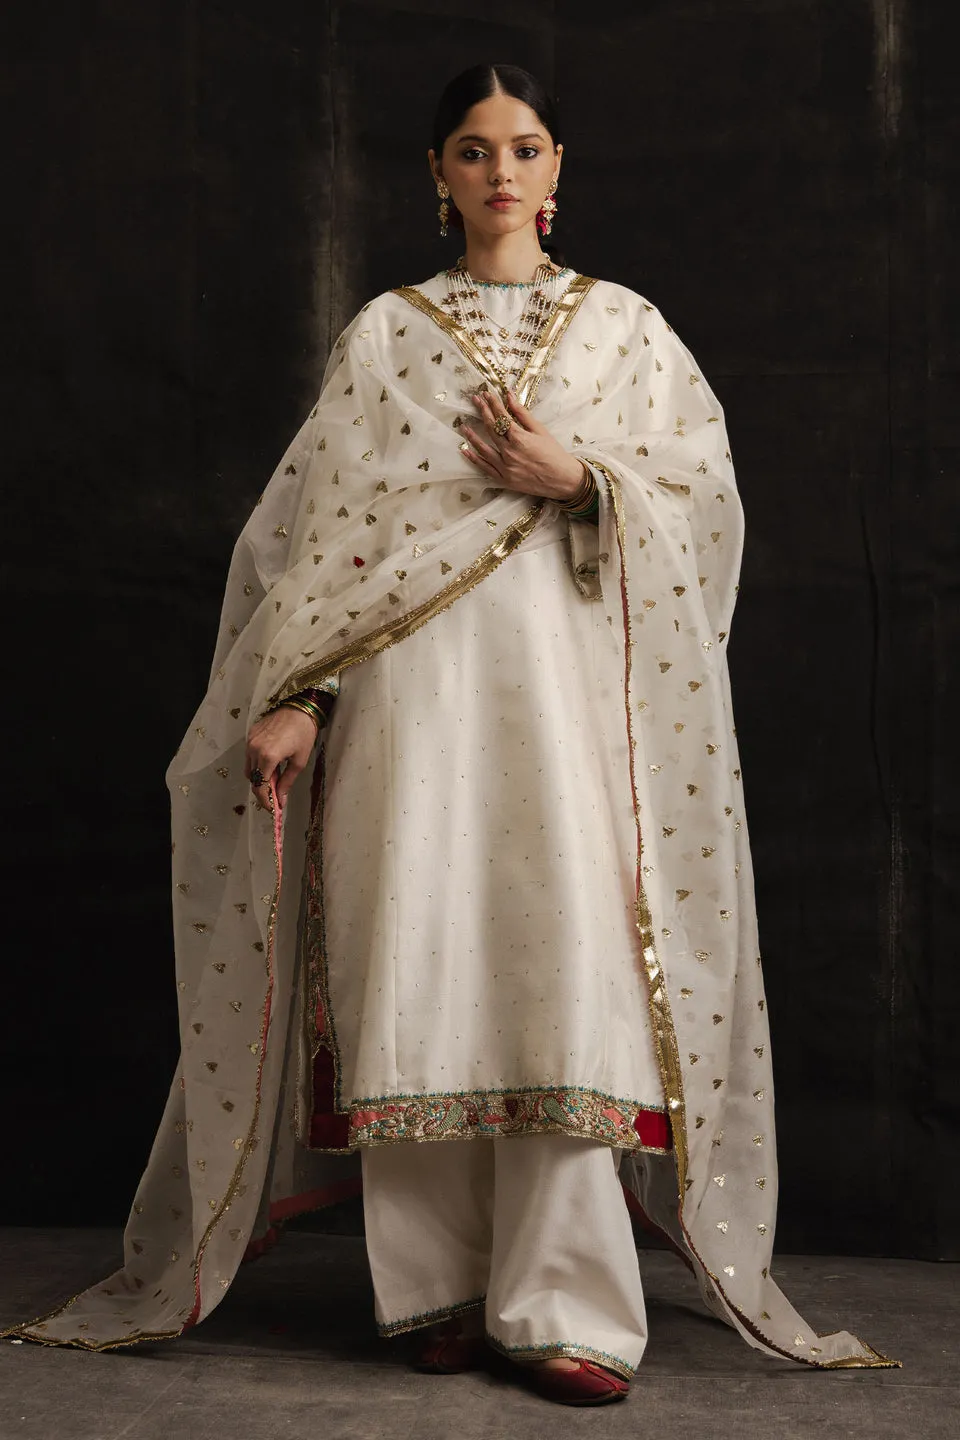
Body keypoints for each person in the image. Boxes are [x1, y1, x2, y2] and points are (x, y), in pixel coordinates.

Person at [2, 62, 895, 1405]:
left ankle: (569, 1307)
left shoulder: (628, 331)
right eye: (473, 150)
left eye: (523, 147)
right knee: (418, 963)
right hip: (411, 710)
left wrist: (579, 478)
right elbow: (322, 547)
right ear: (436, 173)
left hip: (569, 712)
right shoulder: (387, 337)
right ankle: (437, 1290)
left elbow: (703, 507)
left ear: (558, 167)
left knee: (564, 968)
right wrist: (300, 698)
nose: (500, 172)